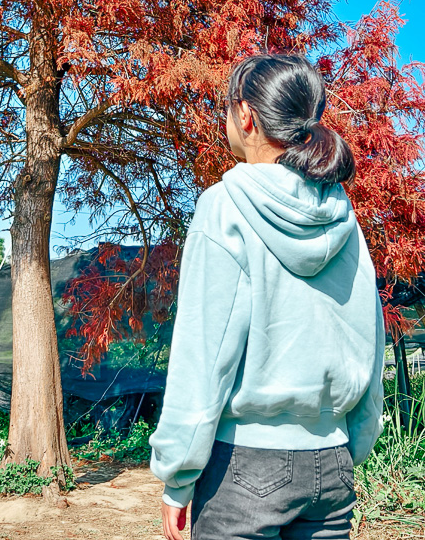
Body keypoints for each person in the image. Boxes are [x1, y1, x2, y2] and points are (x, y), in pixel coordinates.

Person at [150, 54, 385, 540]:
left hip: (245, 469)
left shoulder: (224, 206)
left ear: (246, 115)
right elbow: (369, 338)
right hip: (334, 465)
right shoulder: (345, 218)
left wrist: (178, 478)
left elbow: (204, 354)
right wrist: (352, 443)